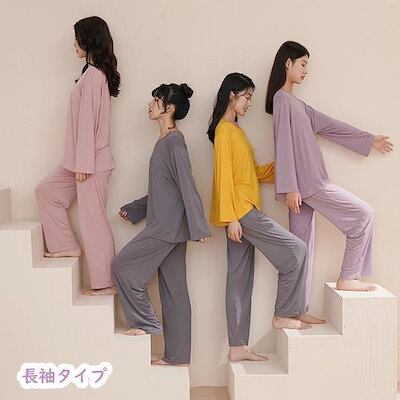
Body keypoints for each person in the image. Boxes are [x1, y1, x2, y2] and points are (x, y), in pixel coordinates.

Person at [208, 73, 325, 363]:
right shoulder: (224, 131)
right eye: (246, 97)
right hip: (242, 213)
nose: (249, 102)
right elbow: (223, 178)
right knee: (296, 249)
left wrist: (283, 166)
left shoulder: (237, 131)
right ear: (232, 96)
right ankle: (284, 313)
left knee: (239, 280)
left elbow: (250, 173)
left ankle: (237, 347)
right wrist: (231, 218)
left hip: (243, 210)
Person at [266, 41, 393, 298]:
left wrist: (369, 139)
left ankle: (294, 309)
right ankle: (348, 277)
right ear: (288, 63)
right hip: (309, 185)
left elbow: (331, 127)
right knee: (364, 215)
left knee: (301, 249)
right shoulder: (281, 100)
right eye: (303, 64)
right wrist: (289, 187)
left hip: (305, 187)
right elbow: (283, 144)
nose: (306, 70)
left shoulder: (299, 105)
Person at [113, 83, 211, 366]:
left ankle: (145, 323)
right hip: (169, 226)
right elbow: (164, 189)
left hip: (165, 228)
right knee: (174, 290)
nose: (150, 105)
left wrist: (199, 226)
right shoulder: (165, 142)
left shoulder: (175, 143)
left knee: (123, 266)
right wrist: (135, 209)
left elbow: (187, 185)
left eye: (156, 101)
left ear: (169, 108)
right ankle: (177, 356)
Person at [35, 16, 120, 296]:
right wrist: (79, 163)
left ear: (89, 40)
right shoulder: (90, 74)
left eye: (77, 39)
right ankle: (65, 245)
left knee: (94, 221)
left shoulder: (94, 76)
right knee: (47, 191)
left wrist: (84, 164)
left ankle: (106, 283)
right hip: (79, 161)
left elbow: (88, 123)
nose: (73, 44)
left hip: (91, 163)